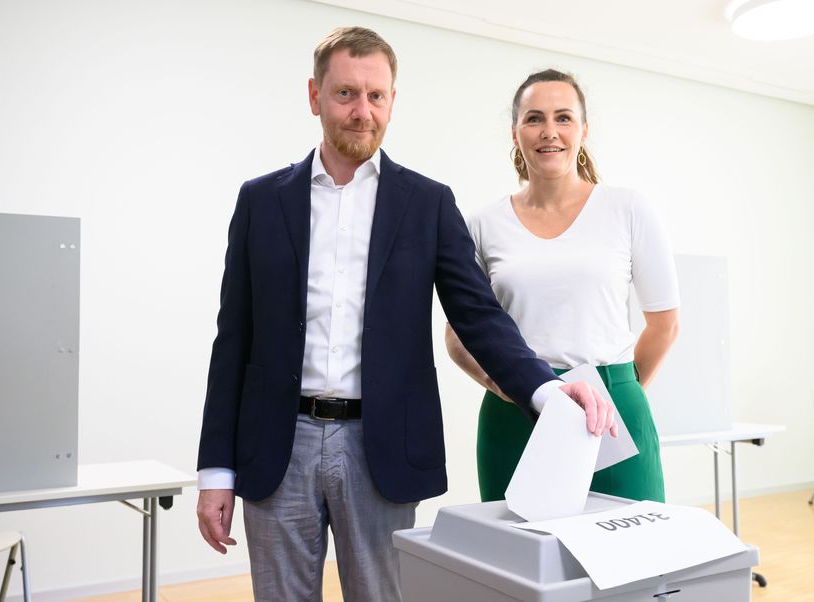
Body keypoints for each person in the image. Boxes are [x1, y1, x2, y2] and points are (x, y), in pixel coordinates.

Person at [195, 30, 616, 602]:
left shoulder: (427, 203)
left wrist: (544, 391)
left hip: (381, 447)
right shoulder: (261, 201)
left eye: (376, 96)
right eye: (346, 94)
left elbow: (478, 315)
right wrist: (215, 470)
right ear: (315, 95)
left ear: (393, 100)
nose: (362, 111)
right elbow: (233, 340)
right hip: (276, 446)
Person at [446, 69, 680, 504]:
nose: (549, 131)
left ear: (584, 130)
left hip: (612, 409)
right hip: (516, 410)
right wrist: (515, 391)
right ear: (515, 132)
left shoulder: (628, 208)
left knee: (628, 555)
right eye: (534, 118)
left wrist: (616, 392)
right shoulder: (482, 224)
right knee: (515, 560)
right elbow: (457, 337)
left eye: (563, 118)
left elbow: (664, 324)